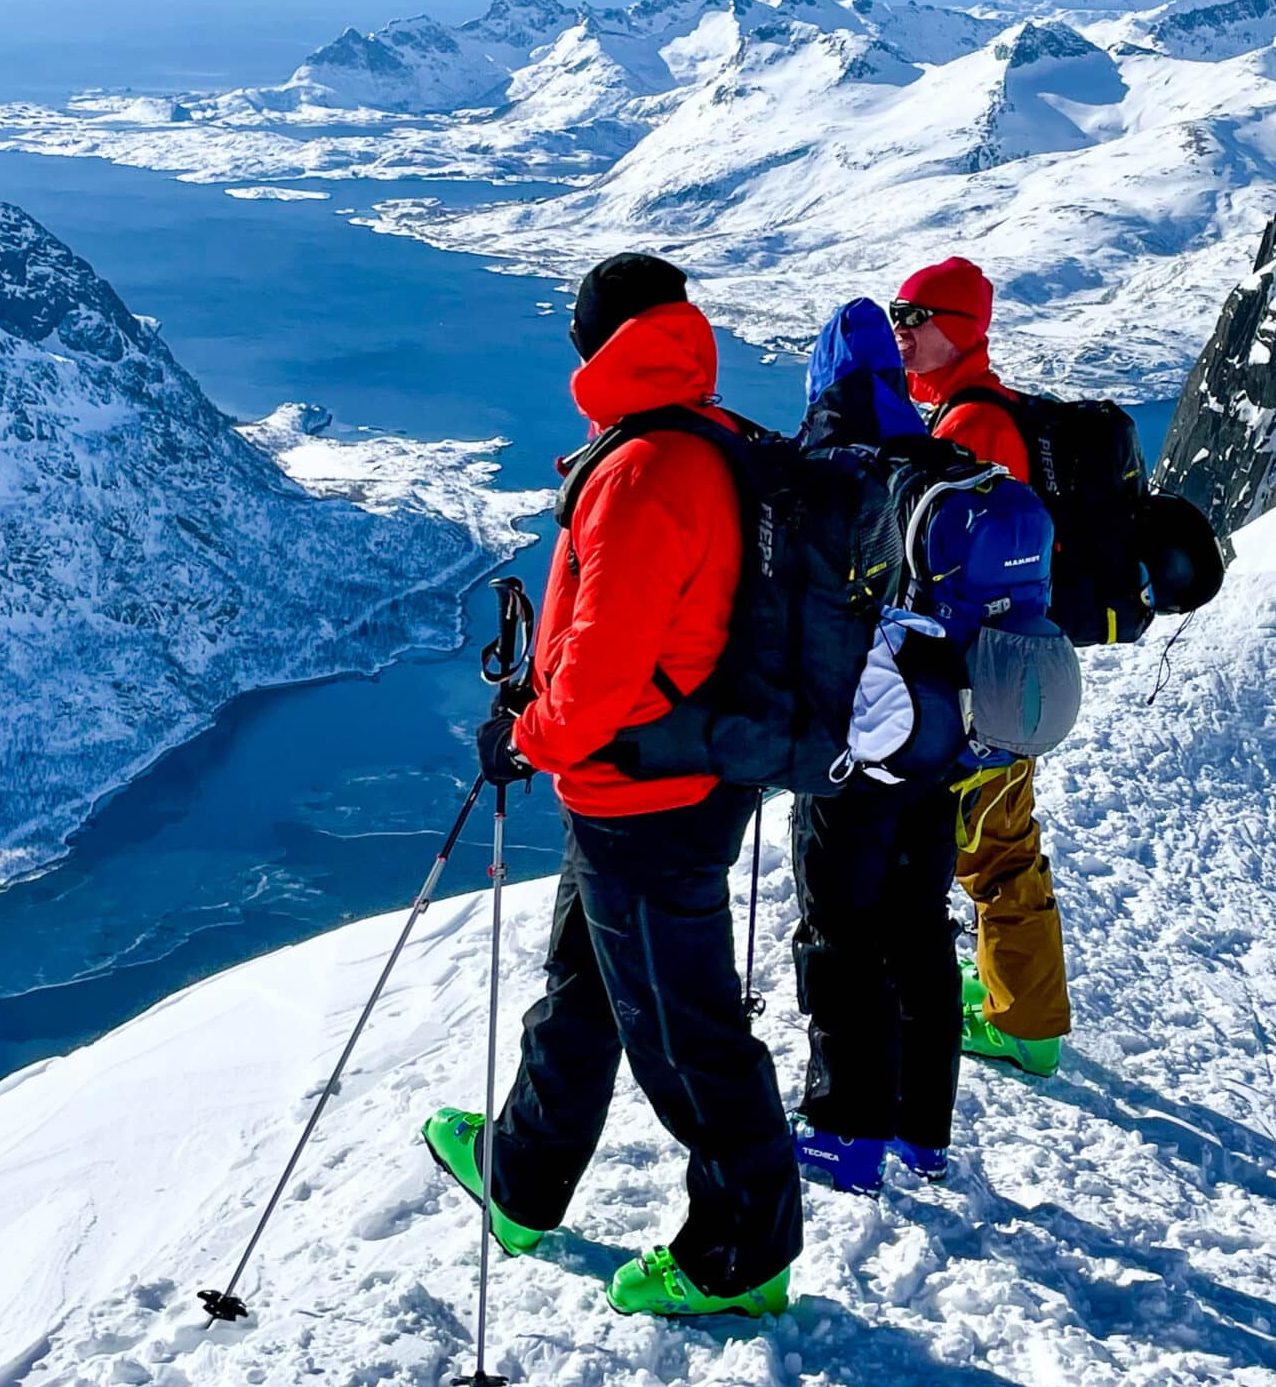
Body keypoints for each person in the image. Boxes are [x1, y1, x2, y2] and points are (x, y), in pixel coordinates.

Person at [423, 251, 802, 1320]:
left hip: (646, 796)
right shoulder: (699, 435)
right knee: (585, 991)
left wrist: (529, 735)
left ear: (596, 339)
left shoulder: (642, 468)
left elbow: (600, 668)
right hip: (658, 779)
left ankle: (741, 1254)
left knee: (685, 1031)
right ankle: (521, 1176)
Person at [789, 301, 967, 1195]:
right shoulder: (940, 462)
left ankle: (845, 1133)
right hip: (942, 743)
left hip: (852, 752)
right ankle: (921, 1133)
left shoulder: (825, 469)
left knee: (842, 931)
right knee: (920, 924)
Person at [890, 255, 1071, 1078]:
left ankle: (1024, 1025)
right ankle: (1013, 1001)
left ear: (956, 329)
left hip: (975, 682)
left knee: (993, 853)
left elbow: (948, 572)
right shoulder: (979, 413)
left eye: (913, 316)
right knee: (1001, 842)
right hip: (1005, 672)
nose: (901, 330)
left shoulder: (972, 430)